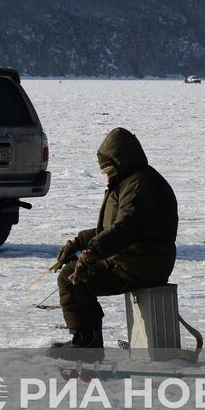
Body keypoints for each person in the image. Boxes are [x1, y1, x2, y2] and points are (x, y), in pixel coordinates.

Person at [50, 127, 178, 359]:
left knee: (72, 279)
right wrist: (80, 242)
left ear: (120, 162)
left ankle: (87, 344)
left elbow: (128, 227)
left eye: (108, 169)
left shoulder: (139, 184)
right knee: (73, 275)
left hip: (143, 263)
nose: (106, 175)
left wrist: (93, 252)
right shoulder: (129, 181)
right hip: (135, 259)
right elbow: (111, 229)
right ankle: (86, 340)